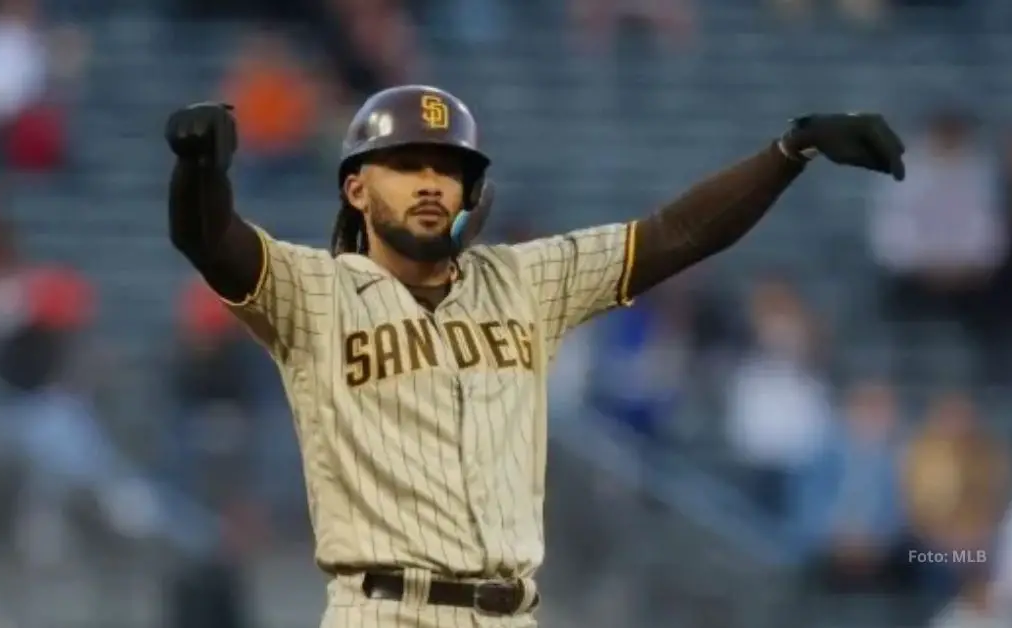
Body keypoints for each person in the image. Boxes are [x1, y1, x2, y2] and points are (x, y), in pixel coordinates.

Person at [164, 86, 906, 627]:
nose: (430, 181)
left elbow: (677, 235)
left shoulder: (522, 280)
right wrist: (200, 172)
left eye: (446, 166)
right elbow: (212, 242)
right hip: (382, 610)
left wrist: (787, 152)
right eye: (406, 164)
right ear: (357, 187)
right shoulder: (315, 291)